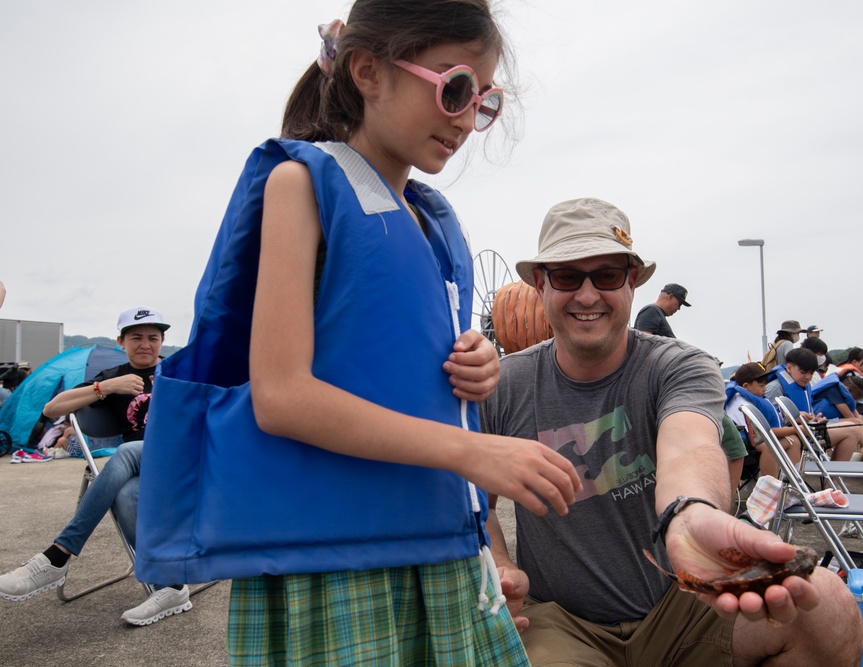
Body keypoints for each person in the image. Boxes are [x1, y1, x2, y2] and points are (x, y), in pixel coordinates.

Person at [169, 3, 581, 664]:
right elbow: (280, 394)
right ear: (368, 71)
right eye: (454, 88)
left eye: (484, 100)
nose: (466, 118)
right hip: (333, 561)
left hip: (440, 550)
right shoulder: (300, 185)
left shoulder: (432, 222)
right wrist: (475, 451)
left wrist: (474, 365)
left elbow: (395, 352)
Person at [482, 198, 863, 666]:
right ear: (541, 283)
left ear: (632, 281)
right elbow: (473, 501)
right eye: (566, 276)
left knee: (824, 602)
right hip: (562, 620)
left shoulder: (677, 365)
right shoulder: (503, 387)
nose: (586, 295)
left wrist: (691, 513)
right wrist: (499, 566)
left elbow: (690, 445)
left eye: (606, 275)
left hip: (682, 600)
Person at [0, 307, 192, 626]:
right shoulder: (111, 376)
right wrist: (107, 388)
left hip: (185, 460)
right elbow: (52, 408)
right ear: (121, 341)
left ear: (162, 342)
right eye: (136, 338)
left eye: (153, 338)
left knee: (127, 451)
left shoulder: (178, 370)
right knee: (124, 492)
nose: (145, 344)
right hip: (143, 467)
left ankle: (59, 554)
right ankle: (169, 585)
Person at [766, 348, 863, 466]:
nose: (807, 377)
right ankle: (837, 478)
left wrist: (813, 418)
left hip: (808, 430)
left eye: (811, 373)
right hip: (796, 435)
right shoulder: (774, 388)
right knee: (852, 428)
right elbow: (769, 422)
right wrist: (794, 417)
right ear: (789, 368)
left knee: (854, 427)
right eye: (803, 372)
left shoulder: (802, 384)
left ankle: (833, 482)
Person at [724, 362, 801, 480]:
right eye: (761, 386)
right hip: (744, 443)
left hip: (758, 438)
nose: (765, 389)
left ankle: (793, 483)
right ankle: (770, 487)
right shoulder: (740, 403)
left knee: (794, 441)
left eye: (765, 385)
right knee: (771, 447)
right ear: (746, 386)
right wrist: (796, 429)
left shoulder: (752, 398)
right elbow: (757, 434)